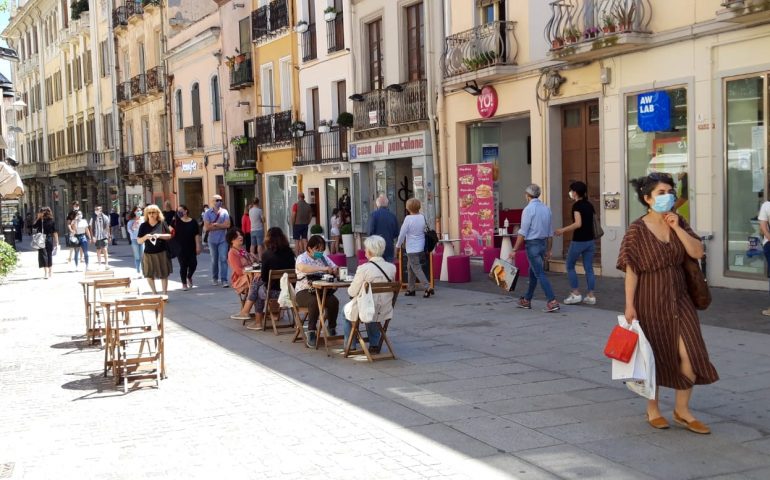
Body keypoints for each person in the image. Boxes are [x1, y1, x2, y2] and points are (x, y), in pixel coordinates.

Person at [618, 172, 718, 434]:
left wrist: (676, 228)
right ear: (647, 198)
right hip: (649, 297)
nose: (668, 196)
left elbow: (697, 252)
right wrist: (630, 305)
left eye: (670, 191)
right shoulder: (636, 230)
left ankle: (682, 411)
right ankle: (653, 409)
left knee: (691, 352)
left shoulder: (679, 221)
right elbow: (631, 270)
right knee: (655, 354)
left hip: (680, 296)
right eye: (661, 192)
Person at [343, 235, 396, 354]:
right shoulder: (392, 268)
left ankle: (350, 345)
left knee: (346, 311)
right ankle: (374, 343)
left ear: (370, 251)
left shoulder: (364, 268)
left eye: (366, 248)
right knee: (372, 306)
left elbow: (351, 291)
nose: (364, 250)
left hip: (368, 309)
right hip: (385, 309)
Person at [511, 184, 559, 313]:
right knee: (533, 271)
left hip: (532, 244)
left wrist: (514, 249)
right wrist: (549, 249)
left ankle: (552, 300)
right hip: (543, 243)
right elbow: (550, 232)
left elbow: (523, 232)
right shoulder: (546, 209)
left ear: (528, 195)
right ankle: (527, 299)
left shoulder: (528, 210)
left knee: (539, 273)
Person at [554, 181, 597, 305]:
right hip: (590, 241)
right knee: (589, 268)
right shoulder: (589, 205)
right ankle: (591, 296)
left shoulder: (577, 206)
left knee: (570, 265)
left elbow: (578, 224)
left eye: (571, 190)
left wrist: (562, 230)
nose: (570, 193)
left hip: (578, 241)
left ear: (576, 192)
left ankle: (575, 293)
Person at [295, 235, 339, 348]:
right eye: (317, 249)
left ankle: (331, 327)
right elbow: (303, 268)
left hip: (321, 291)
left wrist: (335, 270)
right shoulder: (302, 258)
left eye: (322, 250)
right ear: (309, 248)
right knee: (314, 302)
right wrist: (322, 268)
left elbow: (334, 267)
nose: (320, 252)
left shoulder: (323, 258)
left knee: (334, 301)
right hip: (304, 291)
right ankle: (311, 332)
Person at [396, 198, 433, 298]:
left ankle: (427, 287)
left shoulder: (408, 219)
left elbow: (402, 234)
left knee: (416, 268)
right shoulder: (422, 217)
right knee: (410, 267)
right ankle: (410, 289)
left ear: (408, 208)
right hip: (421, 247)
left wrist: (398, 246)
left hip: (412, 248)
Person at [136, 204, 173, 296]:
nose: (151, 214)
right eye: (149, 213)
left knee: (164, 273)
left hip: (162, 252)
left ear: (158, 214)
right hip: (148, 253)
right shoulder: (143, 226)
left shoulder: (162, 223)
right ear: (146, 214)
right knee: (149, 274)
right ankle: (154, 293)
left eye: (153, 212)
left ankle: (164, 294)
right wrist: (145, 237)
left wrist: (159, 235)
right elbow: (139, 241)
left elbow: (169, 236)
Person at [226, 229, 259, 316]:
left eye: (240, 235)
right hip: (241, 280)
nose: (240, 237)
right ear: (232, 240)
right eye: (237, 236)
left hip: (251, 276)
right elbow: (239, 271)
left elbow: (254, 263)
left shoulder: (242, 250)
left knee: (260, 279)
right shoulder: (232, 253)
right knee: (258, 279)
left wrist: (254, 258)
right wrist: (252, 269)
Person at [203, 194, 231, 287]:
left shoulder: (224, 212)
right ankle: (215, 278)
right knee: (214, 260)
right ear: (212, 201)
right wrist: (220, 225)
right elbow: (207, 227)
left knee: (223, 259)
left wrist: (215, 225)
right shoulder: (207, 213)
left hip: (223, 240)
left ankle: (224, 280)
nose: (219, 202)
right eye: (217, 200)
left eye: (221, 200)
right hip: (212, 240)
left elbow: (227, 225)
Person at [174, 204, 201, 290]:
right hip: (180, 248)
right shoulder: (176, 221)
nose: (179, 212)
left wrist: (198, 246)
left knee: (193, 264)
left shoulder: (193, 221)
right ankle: (184, 284)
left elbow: (196, 234)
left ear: (186, 211)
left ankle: (189, 276)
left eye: (181, 210)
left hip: (191, 246)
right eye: (178, 211)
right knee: (183, 265)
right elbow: (169, 231)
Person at [368, 194, 399, 262]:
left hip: (377, 246)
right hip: (389, 245)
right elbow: (396, 233)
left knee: (377, 267)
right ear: (387, 204)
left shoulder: (373, 215)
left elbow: (370, 232)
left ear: (377, 205)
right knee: (389, 267)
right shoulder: (393, 216)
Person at [32, 207, 58, 279]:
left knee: (47, 255)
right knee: (46, 255)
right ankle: (48, 272)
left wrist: (57, 241)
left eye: (42, 212)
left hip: (45, 239)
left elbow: (54, 231)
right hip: (46, 239)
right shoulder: (41, 220)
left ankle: (48, 272)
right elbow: (34, 226)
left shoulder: (50, 220)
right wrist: (38, 218)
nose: (41, 213)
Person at [89, 205, 112, 270]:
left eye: (98, 209)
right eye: (95, 209)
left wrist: (109, 236)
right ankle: (99, 264)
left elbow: (108, 227)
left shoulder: (105, 217)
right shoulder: (93, 218)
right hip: (96, 236)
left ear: (101, 210)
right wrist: (92, 236)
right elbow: (90, 227)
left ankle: (106, 264)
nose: (96, 210)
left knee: (105, 249)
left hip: (104, 236)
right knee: (98, 250)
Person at [127, 208, 144, 277]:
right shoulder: (131, 221)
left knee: (143, 256)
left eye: (140, 210)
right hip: (134, 239)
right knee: (137, 256)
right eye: (137, 211)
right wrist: (134, 226)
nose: (139, 212)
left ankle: (143, 271)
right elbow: (129, 231)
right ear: (134, 212)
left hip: (142, 239)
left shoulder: (143, 220)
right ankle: (138, 272)